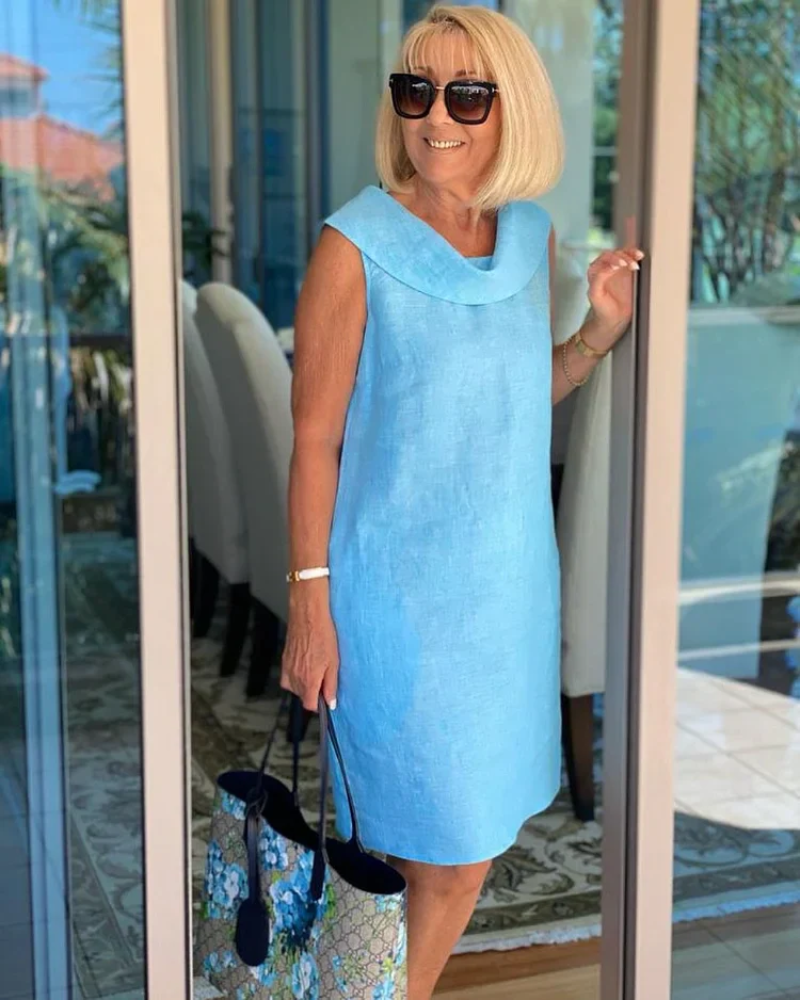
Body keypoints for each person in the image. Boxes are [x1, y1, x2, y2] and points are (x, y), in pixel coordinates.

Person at [281, 5, 642, 997]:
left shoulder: (528, 238)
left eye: (466, 95)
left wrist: (595, 333)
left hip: (502, 605)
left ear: (509, 107)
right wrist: (309, 605)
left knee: (460, 854)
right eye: (416, 91)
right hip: (396, 609)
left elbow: (514, 397)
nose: (435, 117)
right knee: (419, 859)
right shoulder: (353, 245)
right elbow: (313, 440)